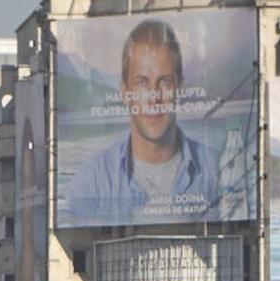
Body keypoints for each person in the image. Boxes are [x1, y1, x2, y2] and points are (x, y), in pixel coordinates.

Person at [65, 18, 220, 226]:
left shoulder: (218, 170)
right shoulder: (90, 183)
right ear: (124, 91)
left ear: (180, 88)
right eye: (142, 82)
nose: (154, 97)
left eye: (164, 81)